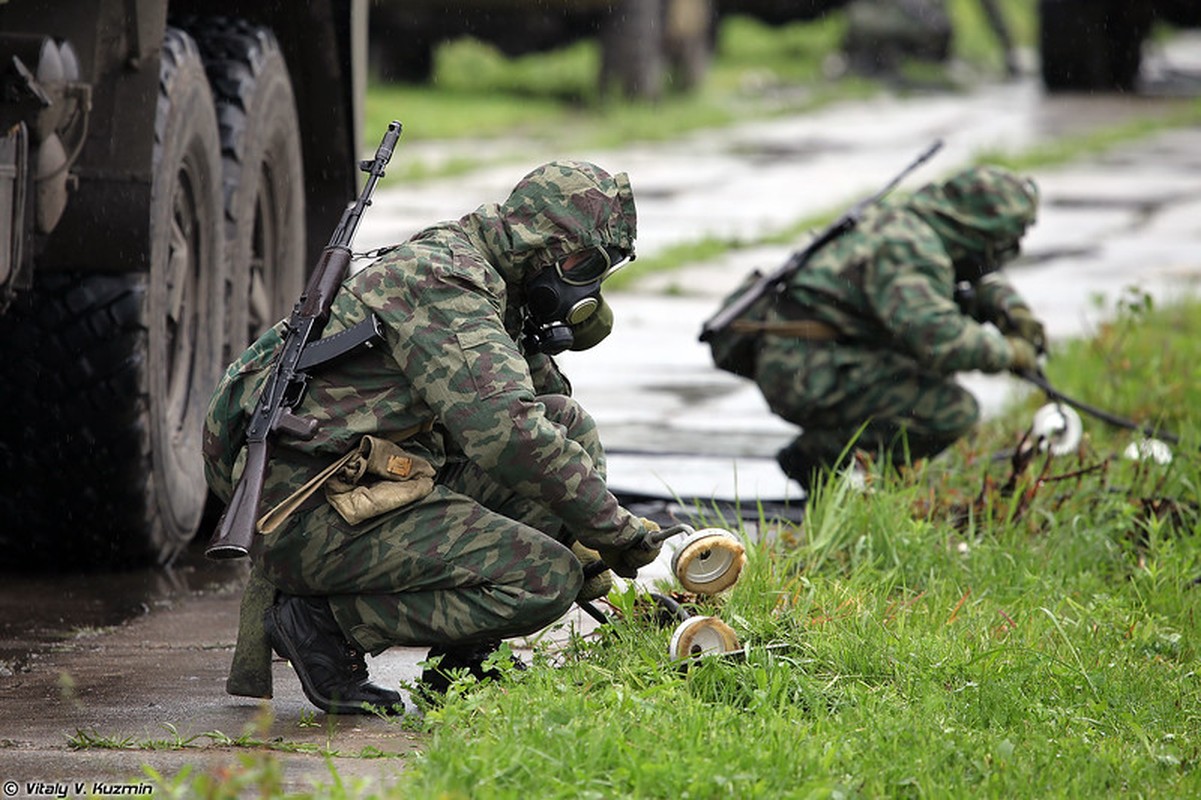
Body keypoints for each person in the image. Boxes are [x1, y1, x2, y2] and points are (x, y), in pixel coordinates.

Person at [203, 160, 662, 714]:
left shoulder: (493, 279)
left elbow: (539, 420)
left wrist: (594, 553)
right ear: (541, 244)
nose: (586, 287)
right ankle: (323, 623)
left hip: (374, 483)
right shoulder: (447, 283)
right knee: (543, 579)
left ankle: (460, 666)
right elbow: (510, 438)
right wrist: (615, 531)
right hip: (308, 509)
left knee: (567, 424)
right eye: (583, 264)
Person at [749, 164, 1045, 491]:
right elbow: (941, 339)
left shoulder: (909, 222)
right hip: (802, 368)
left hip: (806, 355)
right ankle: (819, 459)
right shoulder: (911, 247)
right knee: (950, 410)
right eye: (1005, 241)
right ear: (978, 228)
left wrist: (1005, 304)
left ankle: (854, 466)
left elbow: (960, 287)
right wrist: (1012, 353)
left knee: (924, 382)